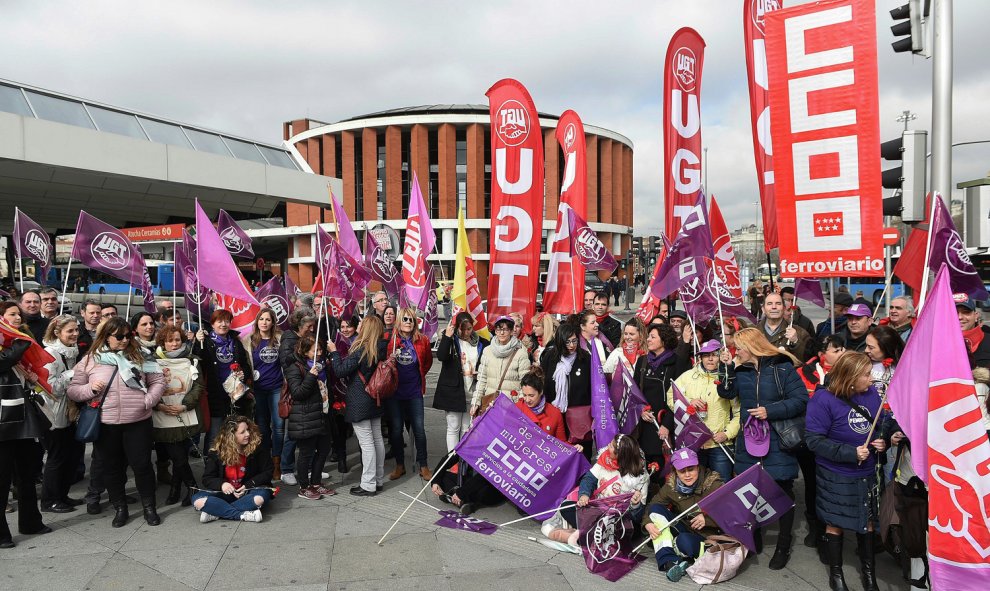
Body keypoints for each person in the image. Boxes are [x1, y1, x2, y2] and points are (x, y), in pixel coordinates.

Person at [717, 327, 808, 569]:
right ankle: (753, 536)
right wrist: (725, 367)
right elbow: (725, 392)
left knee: (782, 490)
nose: (736, 352)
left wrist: (771, 411)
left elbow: (800, 401)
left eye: (739, 348)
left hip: (778, 438)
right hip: (750, 439)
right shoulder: (741, 370)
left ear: (752, 346)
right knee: (752, 491)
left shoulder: (782, 368)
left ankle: (783, 543)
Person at [67, 317, 166, 528]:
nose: (124, 340)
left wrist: (148, 400)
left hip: (138, 420)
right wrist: (91, 390)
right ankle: (120, 507)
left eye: (127, 336)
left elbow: (158, 380)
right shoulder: (91, 359)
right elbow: (73, 390)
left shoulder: (141, 354)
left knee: (142, 466)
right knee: (111, 468)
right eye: (119, 336)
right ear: (107, 336)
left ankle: (149, 507)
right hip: (106, 423)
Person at [805, 352, 886, 591]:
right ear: (850, 377)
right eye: (866, 374)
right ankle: (836, 574)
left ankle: (869, 574)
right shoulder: (823, 400)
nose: (871, 379)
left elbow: (881, 423)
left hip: (867, 473)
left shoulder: (870, 393)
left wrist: (883, 440)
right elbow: (813, 440)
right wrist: (850, 453)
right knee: (835, 521)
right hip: (836, 473)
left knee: (868, 522)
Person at [0, 301, 53, 547]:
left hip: (23, 418)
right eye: (12, 314)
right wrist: (20, 346)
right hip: (3, 423)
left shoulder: (20, 342)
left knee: (27, 473)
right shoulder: (16, 344)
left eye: (18, 314)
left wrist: (31, 378)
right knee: (2, 478)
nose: (18, 317)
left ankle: (31, 521)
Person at [542, 433, 649, 548]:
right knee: (566, 506)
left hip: (615, 520)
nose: (608, 446)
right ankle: (590, 536)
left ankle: (581, 536)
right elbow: (589, 479)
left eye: (612, 446)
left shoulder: (640, 477)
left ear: (621, 455)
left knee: (625, 531)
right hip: (595, 512)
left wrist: (635, 505)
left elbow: (637, 516)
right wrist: (584, 495)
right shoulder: (604, 459)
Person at [642, 448, 725, 582]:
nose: (687, 475)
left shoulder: (713, 484)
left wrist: (708, 519)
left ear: (698, 467)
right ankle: (670, 562)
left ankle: (670, 547)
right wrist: (648, 523)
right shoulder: (671, 486)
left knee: (683, 542)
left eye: (691, 469)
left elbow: (733, 512)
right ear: (675, 472)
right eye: (682, 471)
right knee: (655, 509)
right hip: (685, 527)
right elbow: (652, 505)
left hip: (708, 537)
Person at [328, 314, 388, 497]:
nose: (359, 325)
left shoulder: (362, 348)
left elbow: (339, 370)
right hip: (375, 397)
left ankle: (368, 483)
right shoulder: (381, 346)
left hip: (360, 398)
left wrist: (334, 352)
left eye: (362, 323)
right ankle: (378, 479)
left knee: (367, 442)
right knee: (377, 439)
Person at [669, 340, 739, 482]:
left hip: (719, 444)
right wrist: (688, 402)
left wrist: (727, 434)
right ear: (700, 357)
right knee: (695, 485)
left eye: (714, 354)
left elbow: (739, 413)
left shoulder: (728, 378)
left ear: (721, 356)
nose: (710, 358)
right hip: (693, 442)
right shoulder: (688, 376)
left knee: (722, 485)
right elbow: (671, 396)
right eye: (706, 355)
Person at [152, 325, 204, 507]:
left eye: (177, 340)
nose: (174, 344)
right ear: (162, 342)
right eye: (169, 340)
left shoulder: (192, 360)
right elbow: (147, 387)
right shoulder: (152, 362)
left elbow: (198, 386)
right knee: (178, 456)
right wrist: (159, 406)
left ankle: (176, 489)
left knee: (179, 455)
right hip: (163, 414)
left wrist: (184, 405)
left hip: (185, 412)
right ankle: (193, 488)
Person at [383, 307, 433, 481]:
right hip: (395, 393)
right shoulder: (390, 340)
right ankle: (399, 465)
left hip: (414, 392)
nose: (408, 322)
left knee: (419, 429)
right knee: (396, 431)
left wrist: (417, 378)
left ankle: (423, 465)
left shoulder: (423, 340)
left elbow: (426, 363)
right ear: (398, 321)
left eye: (411, 319)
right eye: (405, 319)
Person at [192, 416, 273, 523]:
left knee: (259, 499)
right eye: (242, 432)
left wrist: (248, 485)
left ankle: (217, 511)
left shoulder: (257, 447)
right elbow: (207, 478)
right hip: (225, 494)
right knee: (197, 500)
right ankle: (242, 515)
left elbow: (268, 472)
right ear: (231, 436)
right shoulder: (217, 452)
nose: (248, 434)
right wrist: (222, 484)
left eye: (248, 430)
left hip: (248, 491)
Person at [40, 314, 83, 513]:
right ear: (57, 333)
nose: (75, 334)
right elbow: (51, 387)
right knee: (57, 458)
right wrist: (73, 374)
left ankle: (62, 495)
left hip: (69, 412)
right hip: (54, 414)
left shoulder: (71, 352)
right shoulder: (51, 353)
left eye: (76, 329)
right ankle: (50, 500)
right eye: (70, 331)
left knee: (70, 456)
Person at [194, 309, 253, 453]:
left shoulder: (235, 342)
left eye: (227, 321)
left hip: (235, 393)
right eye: (219, 321)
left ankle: (234, 462)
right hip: (215, 393)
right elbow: (197, 361)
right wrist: (197, 341)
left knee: (236, 430)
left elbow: (245, 365)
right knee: (215, 431)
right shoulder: (205, 341)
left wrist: (242, 373)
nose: (223, 324)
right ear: (212, 324)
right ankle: (211, 464)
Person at [634, 324, 690, 474]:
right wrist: (640, 410)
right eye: (648, 336)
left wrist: (667, 425)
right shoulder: (642, 361)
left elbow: (680, 398)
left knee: (664, 468)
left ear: (664, 341)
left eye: (653, 337)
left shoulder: (678, 363)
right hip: (645, 424)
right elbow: (634, 392)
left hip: (666, 424)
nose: (648, 340)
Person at [285, 335, 335, 499]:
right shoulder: (295, 367)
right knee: (306, 453)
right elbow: (298, 393)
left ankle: (316, 482)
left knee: (323, 451)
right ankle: (304, 486)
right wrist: (311, 376)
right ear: (305, 351)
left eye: (320, 350)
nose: (319, 353)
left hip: (322, 415)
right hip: (305, 417)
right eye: (315, 350)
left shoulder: (322, 365)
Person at [433, 312, 488, 452]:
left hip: (473, 390)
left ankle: (463, 460)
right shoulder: (451, 340)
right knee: (453, 427)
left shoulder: (481, 342)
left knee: (467, 427)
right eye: (462, 329)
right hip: (454, 390)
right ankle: (452, 461)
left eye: (469, 328)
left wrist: (479, 373)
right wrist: (447, 336)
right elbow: (441, 356)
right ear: (456, 327)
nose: (466, 332)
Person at [241, 308, 285, 481]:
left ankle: (277, 463)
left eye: (268, 319)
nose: (264, 322)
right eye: (261, 319)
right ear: (257, 322)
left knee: (279, 427)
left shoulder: (280, 340)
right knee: (262, 428)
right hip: (258, 390)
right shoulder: (248, 341)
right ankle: (265, 461)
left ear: (273, 322)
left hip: (277, 388)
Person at [275, 308, 312, 485]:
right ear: (299, 324)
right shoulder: (289, 338)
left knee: (308, 430)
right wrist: (302, 352)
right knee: (293, 432)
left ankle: (308, 467)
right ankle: (286, 469)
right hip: (294, 388)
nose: (311, 329)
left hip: (308, 385)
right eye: (308, 326)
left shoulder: (307, 337)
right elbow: (285, 361)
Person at [470, 315, 531, 415]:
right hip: (490, 404)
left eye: (506, 329)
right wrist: (475, 402)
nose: (502, 333)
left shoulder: (521, 352)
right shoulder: (487, 351)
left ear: (511, 331)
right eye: (499, 329)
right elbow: (481, 379)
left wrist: (520, 404)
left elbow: (525, 381)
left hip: (511, 405)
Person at [328, 315, 358, 472]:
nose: (346, 330)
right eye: (343, 326)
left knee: (358, 429)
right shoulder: (335, 343)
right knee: (339, 428)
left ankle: (364, 459)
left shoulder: (360, 342)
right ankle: (341, 459)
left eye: (349, 326)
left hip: (356, 391)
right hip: (338, 391)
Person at [758, 293, 811, 361]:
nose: (774, 307)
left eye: (778, 303)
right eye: (769, 303)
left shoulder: (800, 333)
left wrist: (795, 342)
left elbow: (807, 361)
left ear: (784, 308)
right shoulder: (751, 332)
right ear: (763, 309)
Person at [864, 325, 904, 398]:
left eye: (871, 347)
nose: (866, 350)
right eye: (866, 346)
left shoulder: (903, 368)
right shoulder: (861, 363)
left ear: (886, 348)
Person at [954, 293, 990, 368]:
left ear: (976, 316)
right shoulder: (937, 345)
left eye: (966, 312)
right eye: (954, 312)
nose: (960, 317)